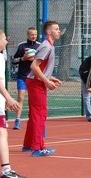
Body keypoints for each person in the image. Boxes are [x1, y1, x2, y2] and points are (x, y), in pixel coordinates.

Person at [0, 29, 26, 178]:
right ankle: (6, 170)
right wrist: (8, 98)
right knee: (1, 133)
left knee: (1, 133)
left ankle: (6, 169)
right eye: (4, 40)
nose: (6, 42)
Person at [23, 20, 62, 157]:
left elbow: (40, 68)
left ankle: (28, 144)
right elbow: (34, 66)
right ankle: (37, 148)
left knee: (35, 114)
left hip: (36, 81)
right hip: (36, 83)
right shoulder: (46, 46)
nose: (59, 31)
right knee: (40, 114)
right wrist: (46, 80)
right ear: (49, 32)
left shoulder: (48, 46)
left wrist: (49, 77)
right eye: (56, 29)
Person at [10, 27, 40, 130]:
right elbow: (14, 60)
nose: (34, 36)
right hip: (22, 76)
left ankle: (32, 120)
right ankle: (17, 120)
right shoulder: (22, 46)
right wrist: (23, 58)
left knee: (33, 100)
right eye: (32, 34)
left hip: (34, 77)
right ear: (27, 35)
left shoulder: (39, 46)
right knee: (21, 98)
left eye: (35, 34)